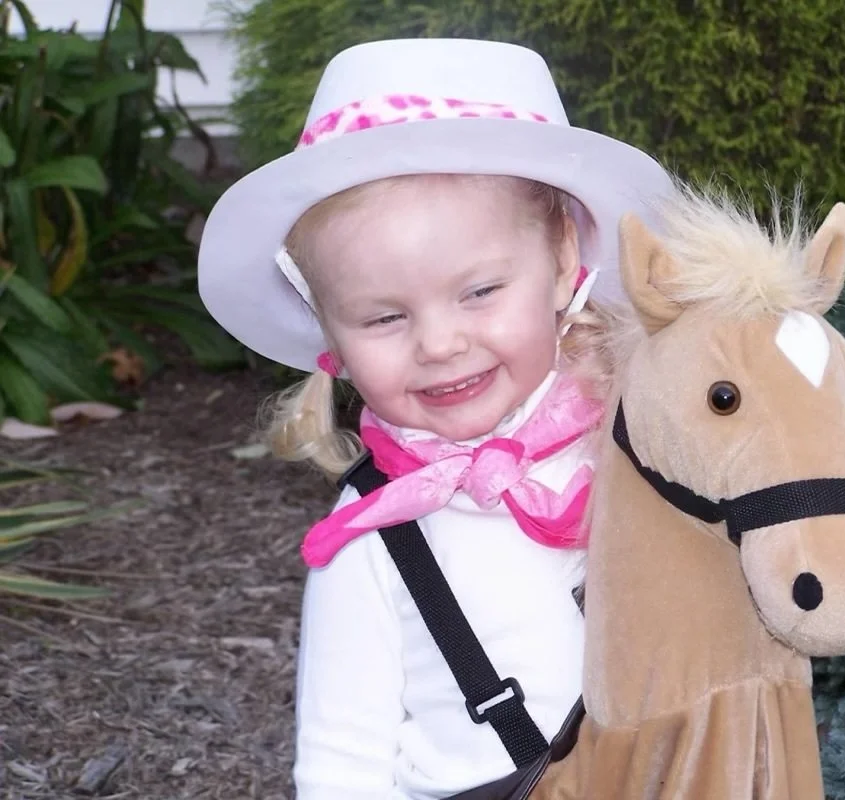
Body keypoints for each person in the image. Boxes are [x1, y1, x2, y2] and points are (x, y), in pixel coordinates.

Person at [197, 38, 673, 799]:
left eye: (480, 292)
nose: (440, 344)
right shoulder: (373, 533)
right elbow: (341, 766)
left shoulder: (649, 446)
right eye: (384, 317)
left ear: (562, 260)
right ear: (330, 334)